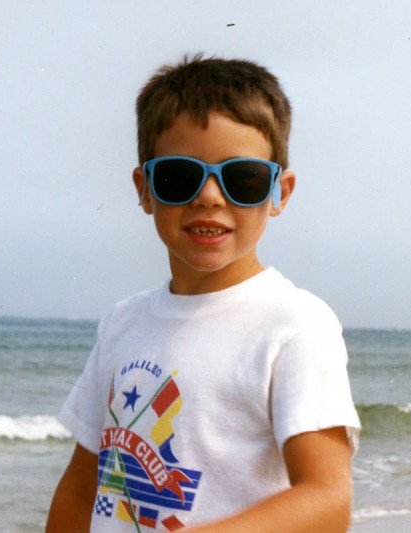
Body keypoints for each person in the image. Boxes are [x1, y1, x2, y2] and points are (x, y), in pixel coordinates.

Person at [47, 54, 361, 532]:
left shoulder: (294, 324)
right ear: (145, 188)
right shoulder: (123, 322)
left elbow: (327, 500)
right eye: (179, 176)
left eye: (244, 179)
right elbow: (81, 487)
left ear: (280, 192)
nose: (210, 196)